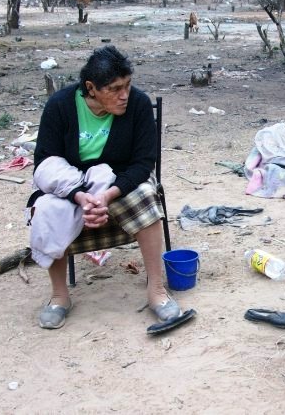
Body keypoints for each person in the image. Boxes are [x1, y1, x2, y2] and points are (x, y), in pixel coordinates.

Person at [28, 45, 182, 329]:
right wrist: (80, 196)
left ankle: (156, 290)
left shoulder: (136, 104)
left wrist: (108, 193)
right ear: (91, 88)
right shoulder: (60, 106)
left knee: (147, 195)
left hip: (120, 181)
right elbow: (45, 161)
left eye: (127, 85)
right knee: (46, 208)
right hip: (73, 184)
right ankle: (59, 296)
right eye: (114, 88)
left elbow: (143, 162)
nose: (124, 95)